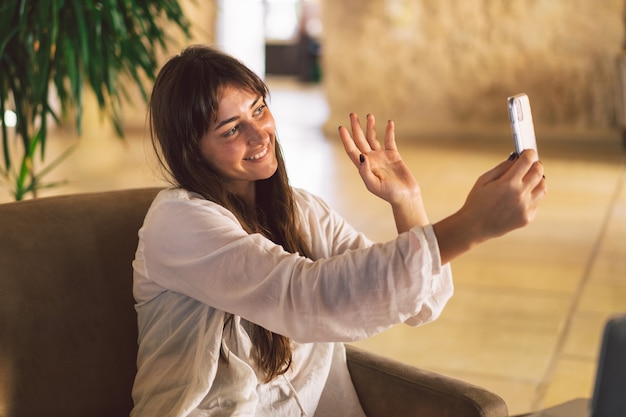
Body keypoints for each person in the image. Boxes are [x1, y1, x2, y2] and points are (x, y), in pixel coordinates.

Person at [130, 45, 546, 417]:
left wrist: (407, 199)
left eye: (258, 109)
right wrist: (469, 225)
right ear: (191, 151)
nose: (261, 134)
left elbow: (423, 302)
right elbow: (308, 298)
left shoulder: (302, 210)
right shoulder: (178, 222)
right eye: (232, 129)